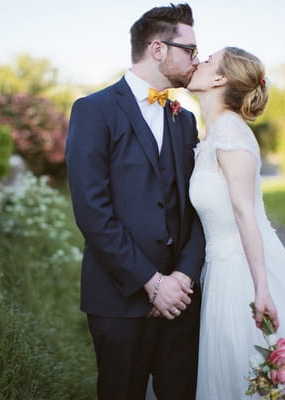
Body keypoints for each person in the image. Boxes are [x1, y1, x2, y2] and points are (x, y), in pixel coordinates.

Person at [187, 47, 285, 399]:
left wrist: (260, 290)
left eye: (208, 59)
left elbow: (246, 214)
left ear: (219, 79)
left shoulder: (229, 132)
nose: (198, 61)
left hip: (244, 272)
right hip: (220, 271)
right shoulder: (213, 133)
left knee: (260, 378)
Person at [65, 4, 205, 400]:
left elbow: (197, 207)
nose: (196, 59)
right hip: (118, 297)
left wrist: (182, 278)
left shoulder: (185, 119)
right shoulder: (93, 110)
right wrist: (151, 282)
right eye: (190, 50)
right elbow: (92, 211)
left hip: (182, 301)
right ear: (158, 49)